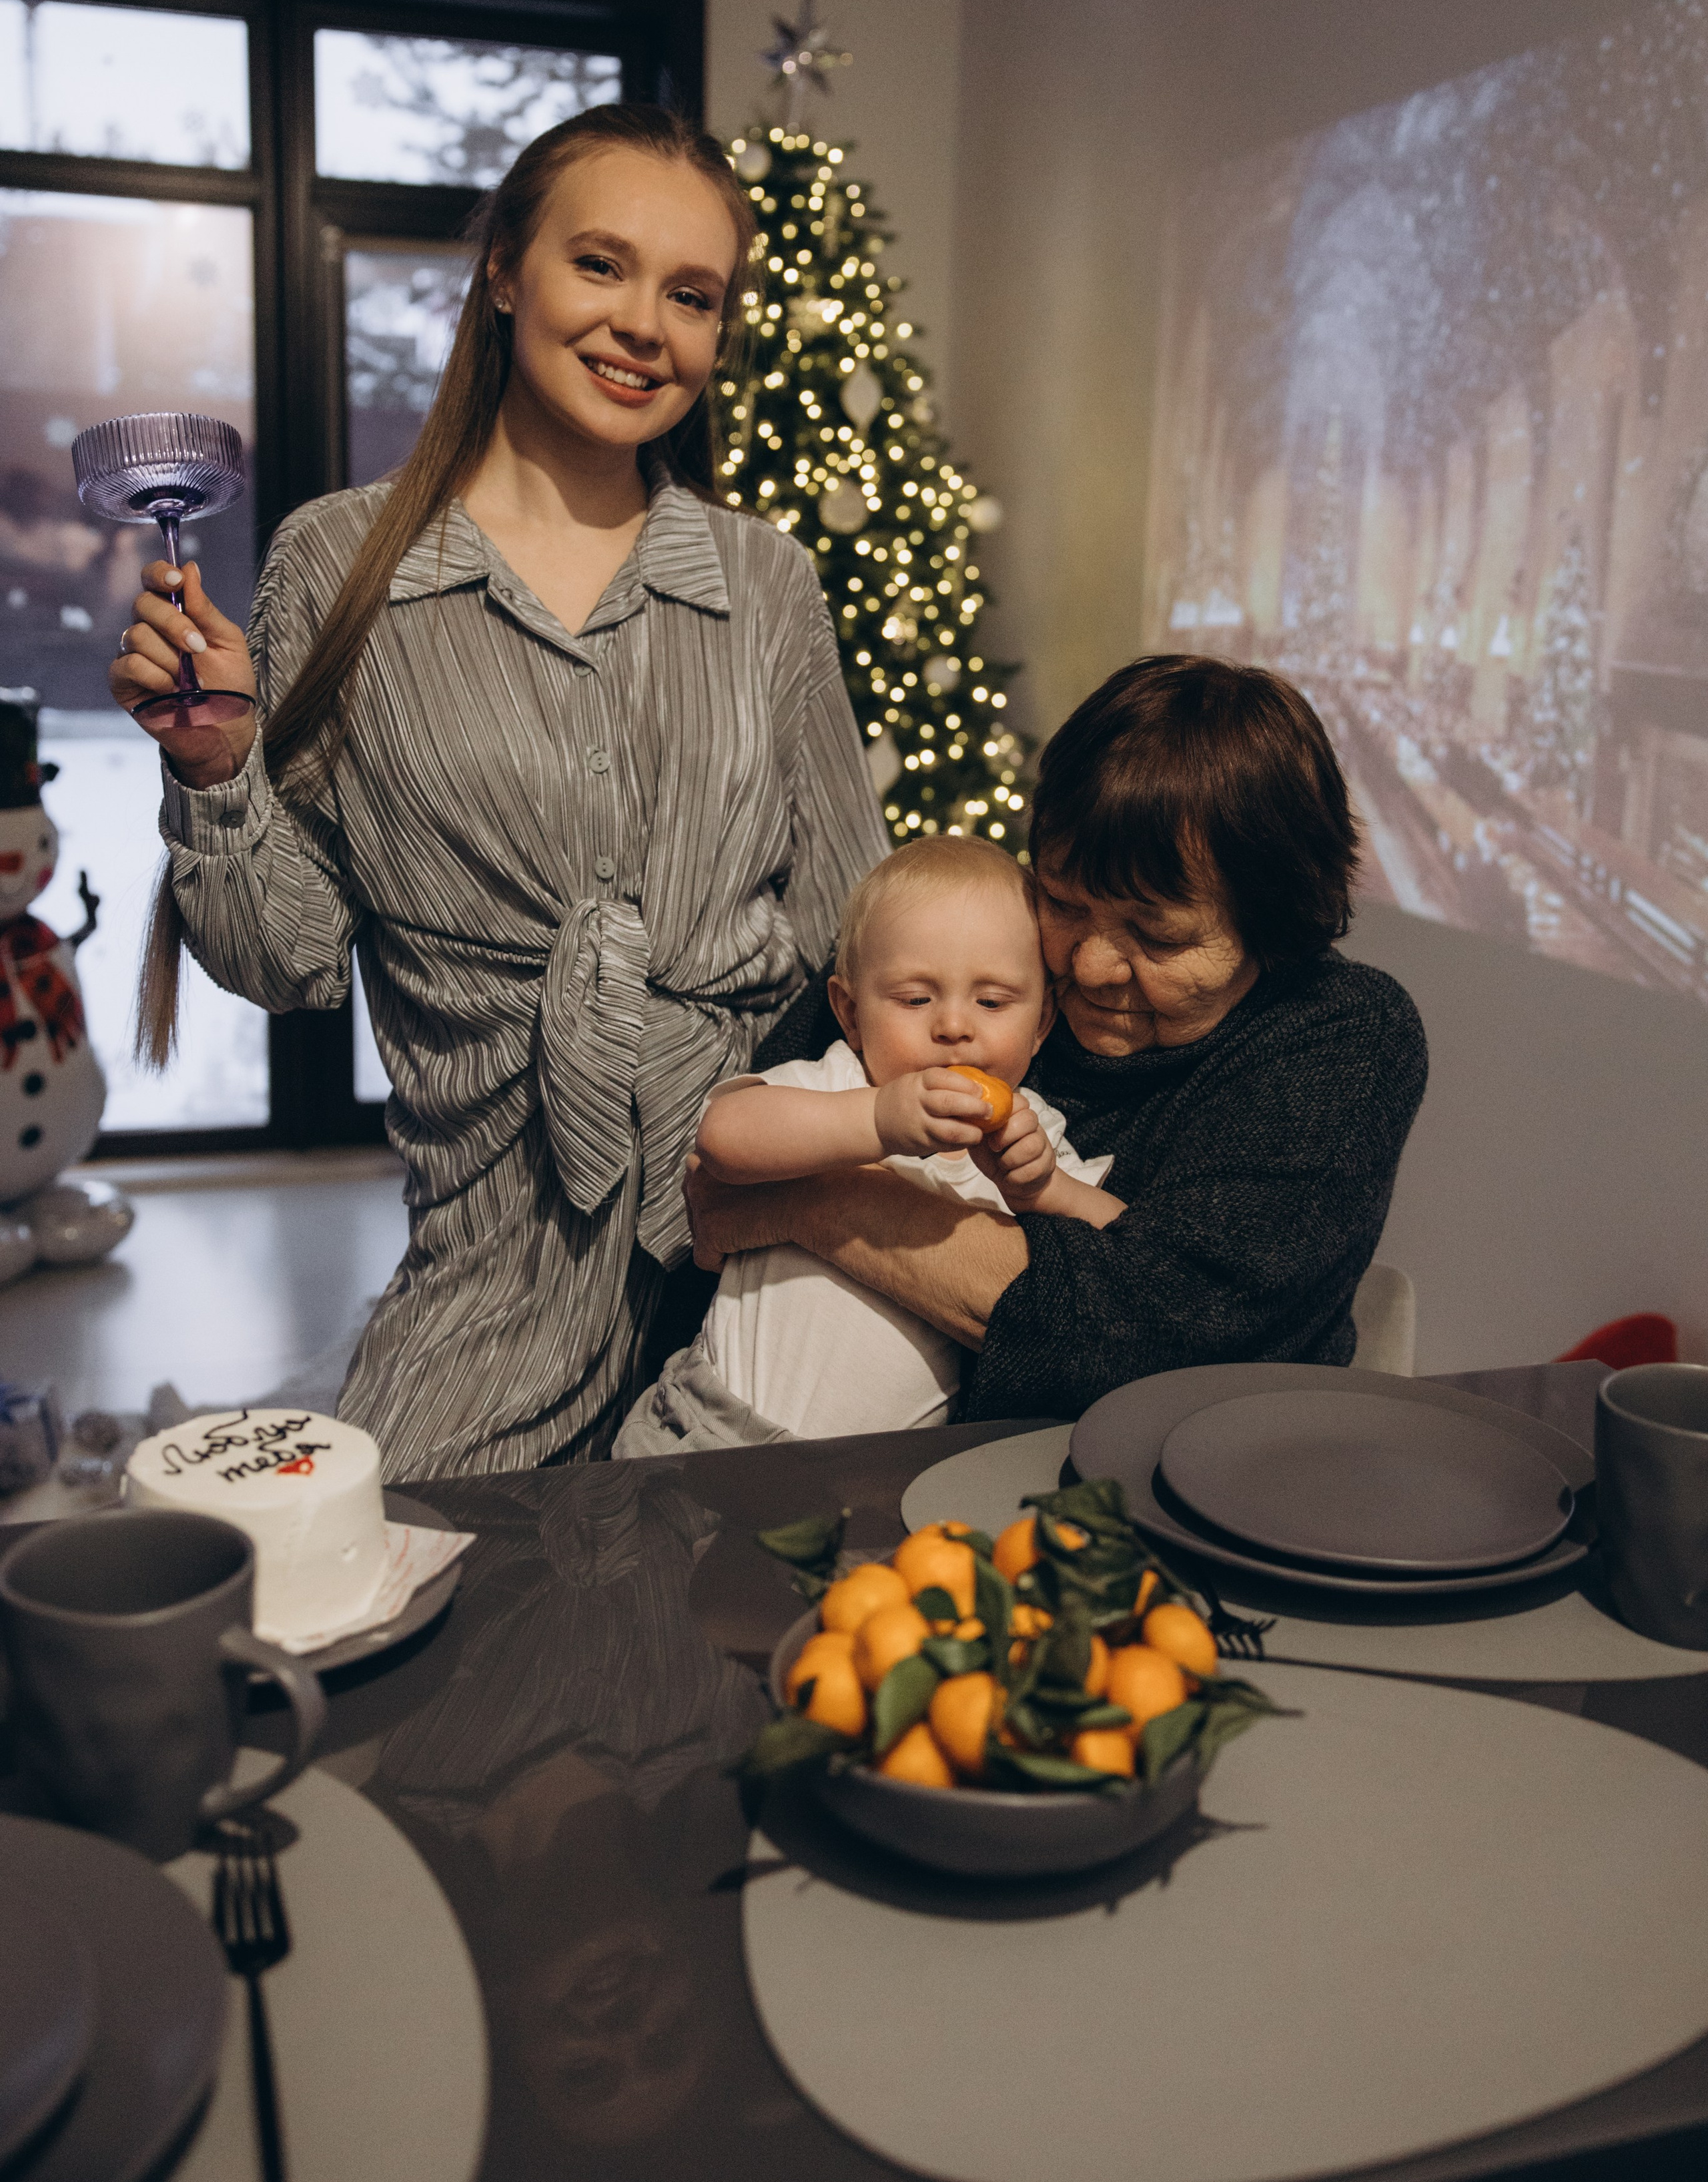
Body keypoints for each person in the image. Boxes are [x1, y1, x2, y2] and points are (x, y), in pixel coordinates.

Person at [110, 105, 889, 1477]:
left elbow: (848, 928)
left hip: (768, 1247)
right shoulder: (342, 564)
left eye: (691, 295)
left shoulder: (765, 583)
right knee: (398, 1622)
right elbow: (288, 961)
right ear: (506, 272)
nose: (645, 324)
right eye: (602, 265)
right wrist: (216, 766)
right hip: (495, 1269)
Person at [685, 655, 1430, 1415]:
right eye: (1065, 902)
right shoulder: (971, 942)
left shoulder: (1339, 1038)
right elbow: (716, 1189)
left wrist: (815, 1200)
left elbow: (1145, 1343)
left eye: (1157, 937)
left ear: (1270, 932)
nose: (1091, 965)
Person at [612, 837, 1115, 1452]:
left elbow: (1126, 1253)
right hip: (709, 1426)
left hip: (876, 1469)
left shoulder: (1030, 1129)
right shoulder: (840, 1082)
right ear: (851, 1013)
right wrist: (877, 1120)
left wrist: (1048, 1189)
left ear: (1041, 1025)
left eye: (991, 1001)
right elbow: (721, 1138)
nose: (954, 1025)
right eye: (915, 999)